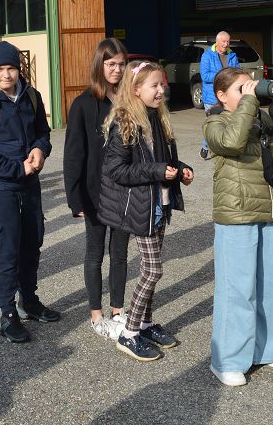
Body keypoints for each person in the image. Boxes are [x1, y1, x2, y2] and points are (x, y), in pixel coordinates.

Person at [203, 67, 273, 386]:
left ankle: (266, 350)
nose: (249, 93)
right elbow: (232, 142)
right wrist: (250, 101)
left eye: (250, 87)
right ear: (221, 96)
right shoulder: (215, 123)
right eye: (240, 89)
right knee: (237, 291)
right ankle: (227, 360)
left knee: (269, 287)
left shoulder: (261, 120)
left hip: (266, 211)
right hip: (236, 215)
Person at [99, 60, 193, 361]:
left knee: (152, 269)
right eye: (155, 85)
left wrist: (181, 169)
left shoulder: (159, 119)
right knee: (153, 271)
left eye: (162, 84)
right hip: (141, 207)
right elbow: (117, 170)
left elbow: (165, 161)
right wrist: (156, 171)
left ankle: (146, 324)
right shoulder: (125, 123)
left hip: (160, 204)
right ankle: (129, 333)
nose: (161, 90)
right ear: (136, 89)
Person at [0, 41, 57, 343]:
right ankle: (7, 314)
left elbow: (43, 132)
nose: (6, 75)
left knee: (32, 245)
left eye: (12, 68)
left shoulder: (31, 96)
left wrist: (40, 150)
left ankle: (29, 301)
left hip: (29, 186)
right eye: (0, 69)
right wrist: (18, 169)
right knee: (6, 252)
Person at [64, 37, 131, 339]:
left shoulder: (130, 102)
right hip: (94, 193)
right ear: (99, 65)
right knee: (95, 254)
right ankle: (96, 315)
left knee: (120, 254)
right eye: (111, 64)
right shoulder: (83, 104)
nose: (116, 70)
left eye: (121, 64)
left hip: (125, 191)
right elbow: (73, 155)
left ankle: (118, 311)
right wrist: (74, 197)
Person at [199, 31, 239, 160]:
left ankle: (225, 148)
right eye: (223, 41)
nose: (226, 44)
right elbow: (205, 76)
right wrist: (222, 74)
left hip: (229, 96)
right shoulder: (207, 55)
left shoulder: (232, 55)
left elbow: (237, 73)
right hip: (212, 97)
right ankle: (206, 146)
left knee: (229, 122)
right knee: (213, 124)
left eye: (228, 42)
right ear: (217, 42)